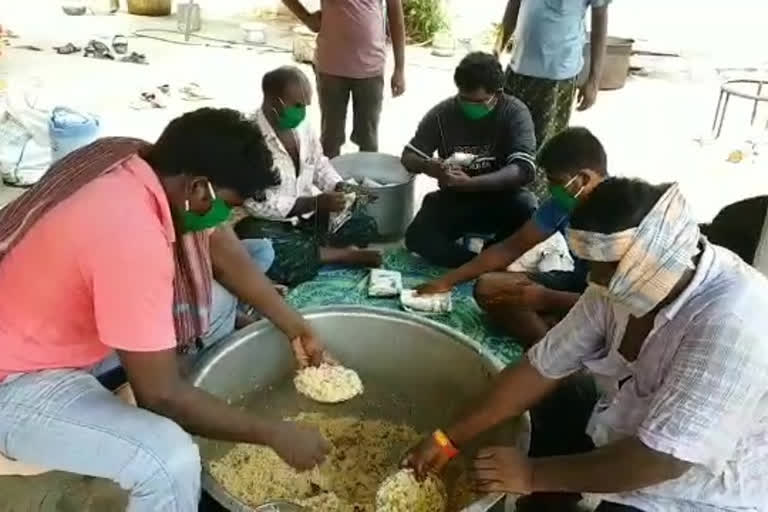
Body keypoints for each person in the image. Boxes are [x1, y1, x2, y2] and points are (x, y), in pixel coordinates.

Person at [0, 108, 334, 511]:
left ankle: (149, 393)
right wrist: (276, 434)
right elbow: (159, 396)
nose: (225, 217)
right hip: (17, 379)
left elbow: (222, 248)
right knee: (167, 458)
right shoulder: (132, 237)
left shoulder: (132, 162)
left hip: (42, 321)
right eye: (226, 205)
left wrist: (296, 327)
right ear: (198, 188)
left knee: (220, 301)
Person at [404, 177, 768, 512]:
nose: (593, 279)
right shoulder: (616, 285)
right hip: (627, 431)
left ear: (652, 263)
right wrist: (446, 438)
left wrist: (530, 475)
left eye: (605, 270)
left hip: (695, 491)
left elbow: (662, 460)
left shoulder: (734, 321)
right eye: (590, 266)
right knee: (556, 400)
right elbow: (539, 366)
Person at [418, 127, 606, 346]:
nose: (550, 188)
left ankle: (558, 359)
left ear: (582, 179)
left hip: (609, 303)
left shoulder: (621, 216)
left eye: (555, 181)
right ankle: (551, 344)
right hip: (577, 285)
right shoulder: (560, 205)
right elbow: (509, 249)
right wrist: (446, 281)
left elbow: (620, 304)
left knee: (603, 323)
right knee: (489, 288)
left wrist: (545, 298)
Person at [234, 67, 382, 286]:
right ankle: (343, 255)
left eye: (306, 104)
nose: (303, 112)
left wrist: (339, 187)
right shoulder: (248, 138)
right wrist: (313, 203)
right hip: (269, 224)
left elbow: (319, 164)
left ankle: (317, 251)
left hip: (308, 219)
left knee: (363, 222)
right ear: (274, 103)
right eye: (297, 105)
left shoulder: (302, 127)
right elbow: (256, 203)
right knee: (271, 253)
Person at [402, 52, 538, 268]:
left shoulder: (514, 113)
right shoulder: (443, 113)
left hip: (502, 198)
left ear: (498, 94)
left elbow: (522, 169)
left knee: (528, 207)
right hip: (457, 199)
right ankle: (476, 263)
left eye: (478, 102)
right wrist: (430, 167)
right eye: (463, 99)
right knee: (417, 237)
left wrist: (472, 183)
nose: (468, 106)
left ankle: (492, 253)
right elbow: (409, 156)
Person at [496, 0, 610, 199]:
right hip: (517, 68)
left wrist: (594, 81)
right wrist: (496, 50)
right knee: (507, 137)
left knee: (544, 150)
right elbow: (513, 5)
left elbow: (600, 21)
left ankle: (531, 208)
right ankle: (506, 198)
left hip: (557, 77)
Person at [281, 0, 406, 158]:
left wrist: (399, 68)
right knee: (330, 139)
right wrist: (306, 18)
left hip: (370, 69)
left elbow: (395, 14)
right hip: (331, 68)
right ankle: (329, 181)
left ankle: (365, 181)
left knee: (368, 140)